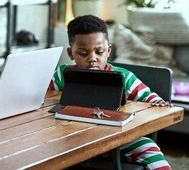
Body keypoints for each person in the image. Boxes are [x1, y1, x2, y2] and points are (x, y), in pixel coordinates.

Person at [50, 14, 171, 170]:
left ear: (108, 50)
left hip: (113, 143)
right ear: (70, 53)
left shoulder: (124, 77)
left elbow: (150, 99)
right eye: (83, 53)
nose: (92, 59)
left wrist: (157, 102)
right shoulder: (61, 75)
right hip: (70, 142)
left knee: (148, 147)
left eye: (99, 52)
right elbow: (43, 98)